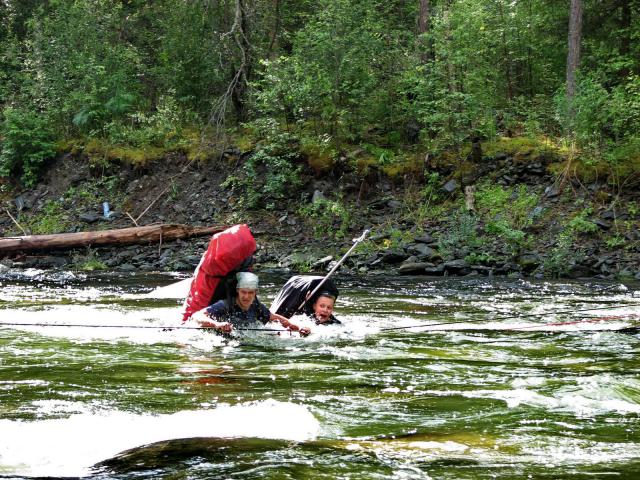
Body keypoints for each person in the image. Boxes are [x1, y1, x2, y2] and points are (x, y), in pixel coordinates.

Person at [191, 272, 311, 336]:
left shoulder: (256, 306)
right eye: (243, 292)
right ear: (237, 290)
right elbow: (196, 316)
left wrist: (299, 328)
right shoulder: (225, 304)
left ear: (255, 292)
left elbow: (275, 318)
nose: (246, 296)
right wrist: (217, 324)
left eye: (250, 293)